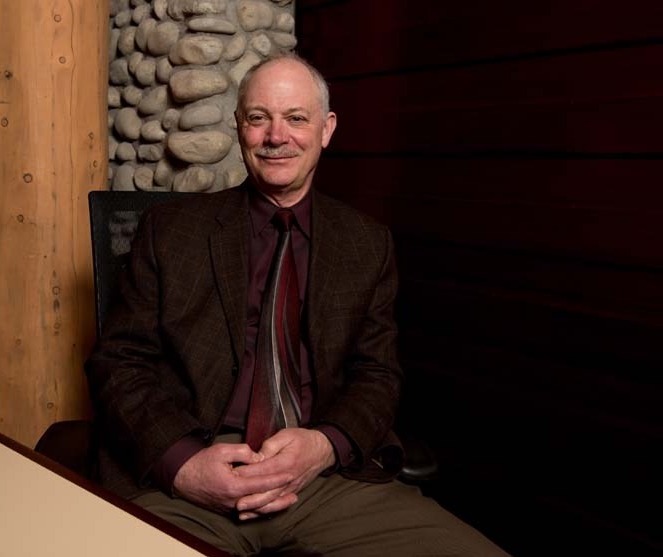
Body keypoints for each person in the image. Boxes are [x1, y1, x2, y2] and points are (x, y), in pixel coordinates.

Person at [86, 54, 507, 556]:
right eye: (259, 117)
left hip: (322, 481)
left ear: (326, 130)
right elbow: (118, 362)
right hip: (194, 479)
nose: (276, 136)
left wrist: (325, 445)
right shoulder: (172, 232)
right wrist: (183, 464)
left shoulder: (366, 243)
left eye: (296, 118)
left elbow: (378, 375)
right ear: (239, 127)